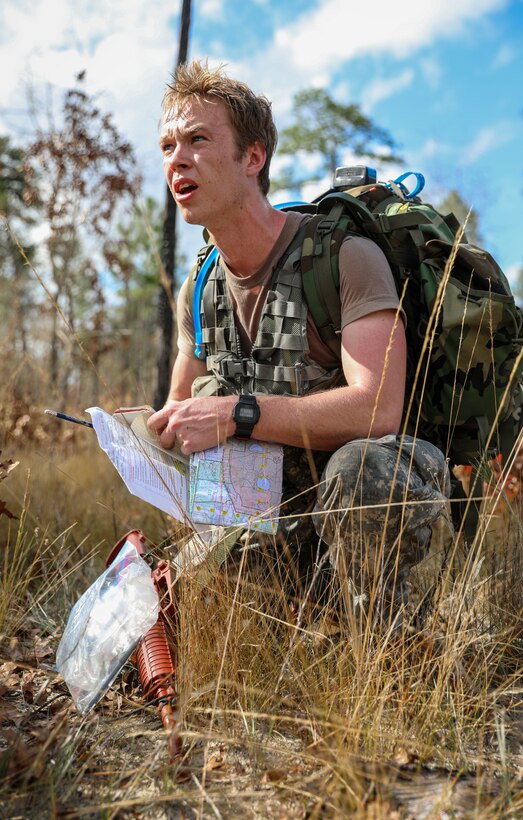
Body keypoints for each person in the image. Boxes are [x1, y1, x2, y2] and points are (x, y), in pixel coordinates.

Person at [147, 59, 450, 617]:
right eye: (167, 146)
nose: (177, 159)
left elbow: (378, 409)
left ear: (253, 157)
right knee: (193, 603)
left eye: (197, 139)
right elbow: (178, 407)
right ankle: (299, 607)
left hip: (360, 489)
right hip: (271, 506)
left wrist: (239, 413)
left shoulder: (341, 258)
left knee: (363, 474)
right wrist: (150, 431)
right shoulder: (201, 287)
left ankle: (383, 641)